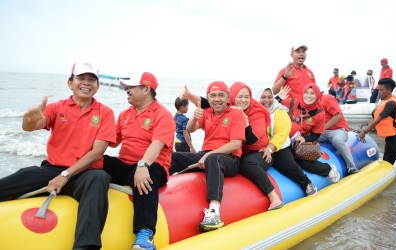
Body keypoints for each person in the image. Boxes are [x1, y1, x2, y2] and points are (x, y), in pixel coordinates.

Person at [0, 61, 116, 250]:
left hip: (85, 173)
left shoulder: (105, 113)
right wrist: (28, 120)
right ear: (70, 83)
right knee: (24, 174)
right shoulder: (57, 107)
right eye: (81, 78)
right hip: (52, 169)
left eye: (91, 80)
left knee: (100, 177)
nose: (86, 83)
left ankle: (85, 247)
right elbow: (32, 126)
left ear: (97, 87)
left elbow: (97, 153)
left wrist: (66, 176)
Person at [179, 82, 285, 210]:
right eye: (240, 97)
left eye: (247, 97)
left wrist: (246, 120)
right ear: (233, 97)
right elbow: (206, 101)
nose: (243, 100)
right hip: (237, 150)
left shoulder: (257, 113)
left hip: (257, 150)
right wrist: (189, 96)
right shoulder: (226, 106)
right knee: (177, 157)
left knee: (248, 164)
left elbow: (250, 140)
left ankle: (273, 196)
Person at [102, 72, 175, 250]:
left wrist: (143, 165)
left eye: (131, 87)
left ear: (146, 89)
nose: (126, 90)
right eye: (126, 87)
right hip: (126, 165)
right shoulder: (125, 114)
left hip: (154, 166)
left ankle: (145, 234)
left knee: (145, 174)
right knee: (98, 160)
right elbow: (110, 141)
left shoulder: (162, 115)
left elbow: (156, 145)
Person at [170, 81, 246, 232]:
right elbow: (191, 129)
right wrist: (193, 117)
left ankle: (214, 212)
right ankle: (157, 188)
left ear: (228, 98)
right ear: (208, 98)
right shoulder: (206, 112)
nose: (216, 99)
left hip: (229, 158)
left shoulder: (236, 114)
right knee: (173, 156)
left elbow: (235, 144)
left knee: (213, 158)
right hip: (206, 154)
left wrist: (210, 154)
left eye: (221, 95)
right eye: (212, 96)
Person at [255, 87, 318, 196]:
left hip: (280, 146)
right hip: (262, 147)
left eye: (270, 97)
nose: (267, 100)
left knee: (289, 167)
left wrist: (270, 149)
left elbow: (281, 134)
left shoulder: (279, 111)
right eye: (263, 97)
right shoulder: (253, 112)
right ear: (257, 98)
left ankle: (307, 183)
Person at [278, 83, 340, 183]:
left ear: (318, 95)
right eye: (306, 92)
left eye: (312, 93)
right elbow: (269, 108)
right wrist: (279, 98)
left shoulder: (319, 113)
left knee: (302, 163)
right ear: (302, 93)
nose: (308, 96)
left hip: (299, 144)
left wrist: (304, 139)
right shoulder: (292, 102)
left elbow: (317, 133)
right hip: (283, 138)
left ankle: (328, 169)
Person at [358, 78, 396, 165]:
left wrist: (364, 132)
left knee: (388, 161)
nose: (379, 92)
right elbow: (374, 118)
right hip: (391, 140)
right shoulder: (383, 102)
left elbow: (378, 119)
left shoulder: (391, 104)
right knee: (387, 163)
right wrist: (364, 130)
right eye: (378, 90)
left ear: (389, 90)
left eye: (381, 90)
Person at [319, 94, 359, 175]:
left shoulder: (326, 98)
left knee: (336, 139)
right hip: (323, 132)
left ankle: (352, 167)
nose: (309, 95)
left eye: (312, 93)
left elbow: (338, 116)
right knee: (306, 137)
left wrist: (322, 128)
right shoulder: (308, 103)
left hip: (338, 130)